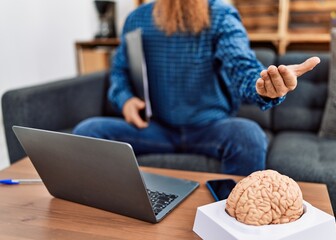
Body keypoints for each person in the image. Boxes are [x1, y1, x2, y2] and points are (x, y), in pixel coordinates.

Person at [73, 0, 320, 175]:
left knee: (249, 136)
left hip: (210, 127)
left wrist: (263, 86)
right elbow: (119, 71)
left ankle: (234, 222)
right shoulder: (136, 19)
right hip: (154, 128)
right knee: (88, 130)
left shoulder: (222, 16)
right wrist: (125, 99)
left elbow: (242, 66)